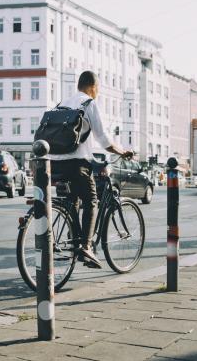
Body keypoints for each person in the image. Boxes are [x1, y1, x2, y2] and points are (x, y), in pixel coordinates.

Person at [50, 70, 133, 269]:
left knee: (74, 201)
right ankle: (86, 247)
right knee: (91, 201)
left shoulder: (62, 104)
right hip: (77, 164)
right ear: (92, 86)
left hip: (54, 164)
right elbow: (103, 138)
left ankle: (75, 236)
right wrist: (121, 151)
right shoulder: (89, 103)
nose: (98, 93)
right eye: (98, 89)